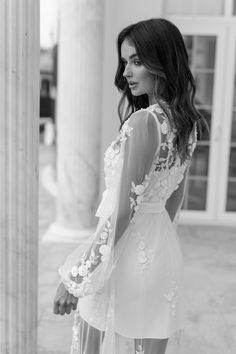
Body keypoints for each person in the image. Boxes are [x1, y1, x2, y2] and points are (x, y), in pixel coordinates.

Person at [53, 18, 206, 354]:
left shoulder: (145, 123)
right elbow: (174, 197)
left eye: (137, 61)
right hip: (160, 253)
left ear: (163, 62)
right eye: (125, 62)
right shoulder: (186, 124)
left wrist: (78, 276)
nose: (126, 73)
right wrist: (152, 244)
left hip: (125, 259)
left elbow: (124, 211)